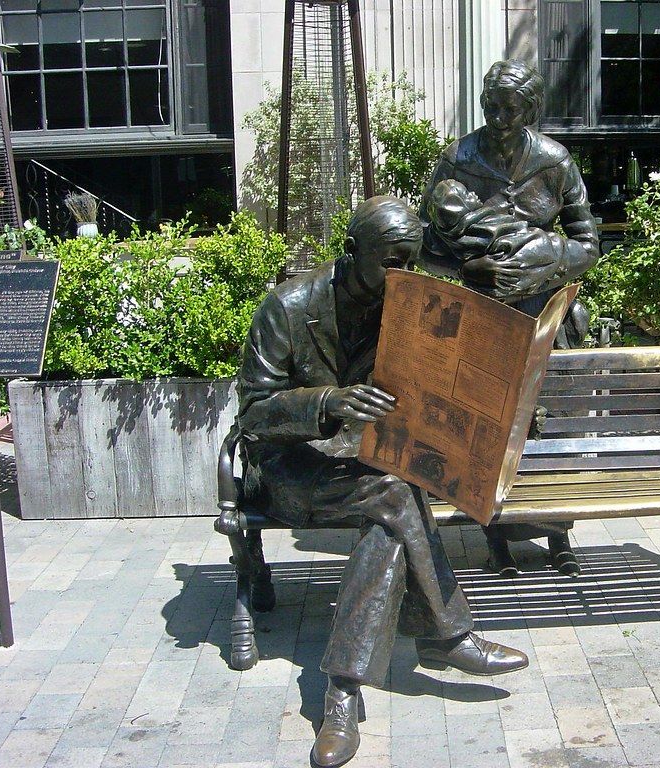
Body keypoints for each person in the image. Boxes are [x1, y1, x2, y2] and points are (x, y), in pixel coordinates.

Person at [236, 196, 529, 768]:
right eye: (392, 262)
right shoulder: (288, 308)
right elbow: (252, 413)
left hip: (369, 464)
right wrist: (327, 402)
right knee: (398, 493)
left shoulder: (404, 305)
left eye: (411, 263)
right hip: (293, 470)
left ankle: (342, 695)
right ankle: (446, 635)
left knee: (392, 515)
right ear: (351, 253)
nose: (403, 276)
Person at [419, 59, 601, 578]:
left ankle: (558, 531)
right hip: (483, 317)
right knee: (490, 431)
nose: (499, 117)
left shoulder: (555, 161)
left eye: (510, 108)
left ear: (530, 109)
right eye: (491, 106)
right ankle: (494, 532)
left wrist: (549, 252)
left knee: (549, 432)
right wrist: (466, 264)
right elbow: (425, 246)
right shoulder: (458, 159)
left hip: (545, 314)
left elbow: (589, 244)